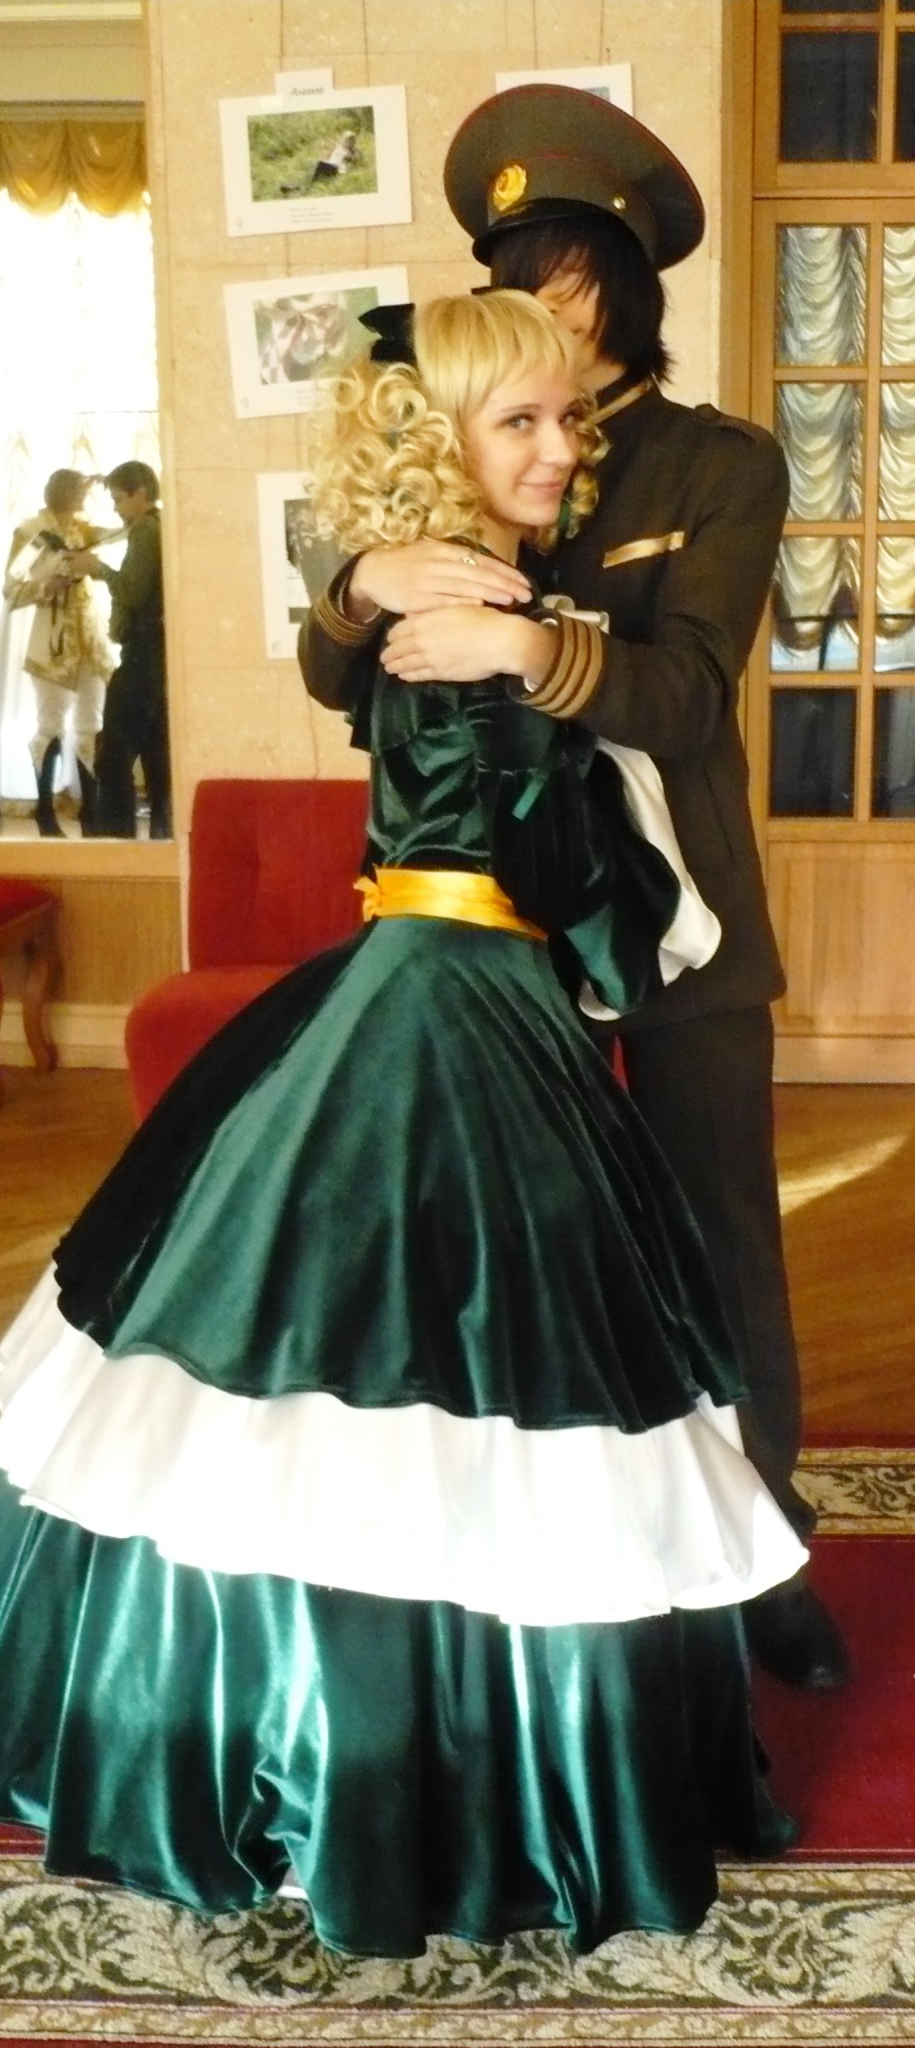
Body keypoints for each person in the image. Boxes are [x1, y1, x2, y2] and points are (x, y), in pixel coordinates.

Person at [0, 289, 806, 1960]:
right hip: (468, 1004)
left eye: (568, 418)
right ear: (439, 441)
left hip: (407, 980)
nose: (563, 447)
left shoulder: (469, 606)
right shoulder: (467, 616)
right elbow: (572, 874)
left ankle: (294, 1749)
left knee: (361, 1375)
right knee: (482, 1382)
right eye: (521, 421)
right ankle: (424, 1783)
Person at [298, 84, 848, 1695]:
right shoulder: (450, 428)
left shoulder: (719, 466)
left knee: (719, 1244)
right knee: (530, 1258)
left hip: (684, 934)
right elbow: (341, 673)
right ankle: (555, 1566)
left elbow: (683, 695)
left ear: (632, 291)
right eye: (521, 281)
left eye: (579, 283)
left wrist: (527, 643)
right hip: (501, 941)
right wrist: (360, 584)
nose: (549, 313)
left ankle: (763, 1554)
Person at [1, 469, 116, 837]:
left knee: (91, 725)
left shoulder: (84, 530)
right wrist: (45, 587)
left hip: (89, 638)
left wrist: (108, 481)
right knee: (50, 725)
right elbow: (11, 590)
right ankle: (45, 812)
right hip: (52, 640)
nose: (83, 495)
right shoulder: (32, 534)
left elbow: (122, 531)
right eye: (78, 488)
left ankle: (91, 812)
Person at [70, 461, 170, 839]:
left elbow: (133, 592)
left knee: (113, 754)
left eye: (117, 499)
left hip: (141, 653)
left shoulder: (145, 531)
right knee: (158, 756)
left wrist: (96, 569)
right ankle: (163, 836)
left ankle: (116, 839)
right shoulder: (160, 526)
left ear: (139, 493)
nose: (115, 509)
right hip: (158, 654)